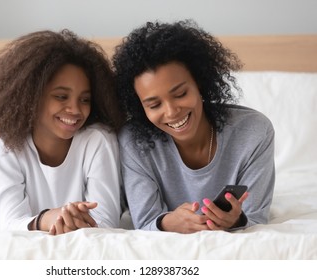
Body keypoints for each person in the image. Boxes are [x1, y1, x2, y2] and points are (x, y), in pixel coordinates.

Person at [112, 20, 275, 233]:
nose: (171, 112)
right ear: (140, 107)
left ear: (199, 82)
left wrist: (235, 222)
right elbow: (145, 223)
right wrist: (168, 223)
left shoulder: (254, 133)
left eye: (180, 94)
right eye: (154, 104)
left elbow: (256, 220)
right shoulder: (134, 142)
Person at [0, 29, 123, 235]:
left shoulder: (98, 140)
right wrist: (48, 218)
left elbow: (106, 222)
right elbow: (9, 222)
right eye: (61, 97)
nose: (75, 109)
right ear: (31, 95)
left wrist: (66, 218)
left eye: (85, 99)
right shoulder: (3, 141)